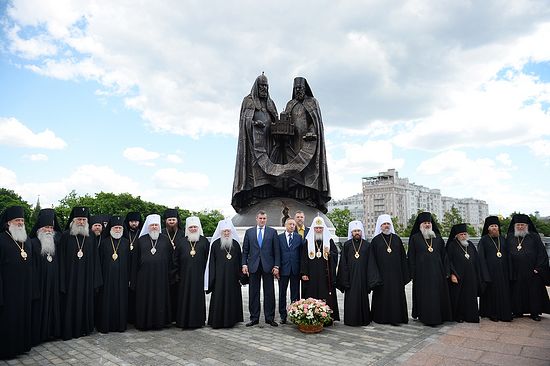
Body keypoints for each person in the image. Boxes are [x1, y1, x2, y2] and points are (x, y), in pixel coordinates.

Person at [280, 77, 331, 212]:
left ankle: (309, 197)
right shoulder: (290, 104)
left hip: (308, 143)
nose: (298, 91)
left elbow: (315, 123)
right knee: (293, 169)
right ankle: (293, 194)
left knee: (308, 169)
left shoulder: (312, 102)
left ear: (305, 89)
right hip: (292, 142)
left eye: (300, 89)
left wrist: (311, 131)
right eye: (296, 89)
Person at [232, 73, 279, 212]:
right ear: (256, 87)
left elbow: (276, 118)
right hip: (253, 142)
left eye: (266, 86)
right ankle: (254, 195)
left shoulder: (270, 103)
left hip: (269, 142)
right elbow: (244, 120)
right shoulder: (249, 101)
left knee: (270, 166)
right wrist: (253, 123)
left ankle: (269, 192)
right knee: (255, 168)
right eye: (261, 86)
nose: (264, 88)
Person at [59, 206, 102, 340]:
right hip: (70, 279)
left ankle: (85, 328)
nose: (81, 222)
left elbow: (96, 260)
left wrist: (96, 280)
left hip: (87, 279)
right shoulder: (66, 236)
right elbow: (61, 259)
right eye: (79, 219)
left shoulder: (90, 237)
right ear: (73, 220)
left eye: (84, 219)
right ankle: (70, 329)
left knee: (85, 303)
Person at [0, 206, 34, 359]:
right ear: (8, 223)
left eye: (22, 220)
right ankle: (7, 350)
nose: (20, 223)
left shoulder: (25, 241)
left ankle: (21, 346)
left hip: (24, 289)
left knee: (22, 317)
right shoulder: (1, 239)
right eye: (17, 220)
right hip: (8, 290)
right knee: (9, 319)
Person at [407, 212, 452, 326]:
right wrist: (412, 273)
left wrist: (447, 271)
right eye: (425, 223)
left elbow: (444, 256)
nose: (427, 225)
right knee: (425, 296)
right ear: (420, 225)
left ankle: (439, 316)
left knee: (437, 295)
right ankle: (425, 316)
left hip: (438, 273)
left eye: (429, 223)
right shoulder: (415, 238)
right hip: (422, 275)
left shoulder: (438, 238)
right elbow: (411, 257)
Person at [131, 214, 173, 330]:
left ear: (159, 227)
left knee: (159, 300)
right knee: (145, 300)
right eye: (152, 225)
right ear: (148, 227)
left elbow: (171, 261)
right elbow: (134, 262)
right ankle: (144, 323)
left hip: (161, 278)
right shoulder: (140, 241)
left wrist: (170, 278)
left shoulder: (165, 240)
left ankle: (159, 323)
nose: (154, 227)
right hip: (144, 278)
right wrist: (133, 281)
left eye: (156, 225)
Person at [506, 214, 550, 321]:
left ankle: (534, 313)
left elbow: (542, 253)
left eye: (522, 225)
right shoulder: (510, 236)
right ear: (515, 226)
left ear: (527, 226)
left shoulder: (534, 236)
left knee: (533, 293)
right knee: (516, 292)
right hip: (516, 271)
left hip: (532, 271)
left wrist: (538, 268)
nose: (520, 227)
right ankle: (517, 311)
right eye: (518, 225)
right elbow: (506, 253)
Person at [29, 208, 62, 345]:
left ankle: (52, 332)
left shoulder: (55, 243)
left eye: (51, 227)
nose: (49, 230)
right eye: (46, 227)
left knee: (53, 306)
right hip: (40, 283)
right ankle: (40, 334)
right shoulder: (32, 243)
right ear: (39, 229)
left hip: (53, 282)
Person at [337, 220, 379, 326]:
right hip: (350, 278)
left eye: (359, 231)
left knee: (363, 298)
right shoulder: (347, 245)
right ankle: (350, 320)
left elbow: (371, 263)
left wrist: (370, 280)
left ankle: (364, 319)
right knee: (351, 299)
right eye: (355, 231)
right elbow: (343, 264)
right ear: (351, 232)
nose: (357, 233)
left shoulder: (367, 245)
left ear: (362, 232)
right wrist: (344, 280)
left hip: (363, 277)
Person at [369, 215, 409, 325]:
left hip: (396, 276)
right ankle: (382, 318)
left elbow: (403, 257)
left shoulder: (397, 239)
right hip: (381, 276)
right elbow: (372, 260)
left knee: (396, 296)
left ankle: (398, 318)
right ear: (380, 226)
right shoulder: (375, 241)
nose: (386, 226)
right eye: (384, 224)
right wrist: (375, 277)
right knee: (382, 296)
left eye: (388, 224)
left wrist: (404, 275)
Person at [242, 210, 280, 326]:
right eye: (260, 218)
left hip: (268, 266)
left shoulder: (272, 232)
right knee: (253, 293)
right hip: (253, 266)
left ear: (266, 219)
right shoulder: (249, 232)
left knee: (269, 293)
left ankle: (269, 318)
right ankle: (254, 318)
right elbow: (245, 251)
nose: (262, 220)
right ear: (256, 219)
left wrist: (276, 266)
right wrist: (244, 264)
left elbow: (276, 251)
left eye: (264, 218)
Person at [173, 216, 210, 329]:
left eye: (195, 227)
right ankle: (182, 321)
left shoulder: (204, 241)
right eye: (191, 227)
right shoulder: (181, 241)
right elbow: (175, 259)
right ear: (187, 229)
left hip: (199, 276)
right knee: (183, 298)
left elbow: (208, 260)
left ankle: (197, 321)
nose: (193, 229)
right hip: (184, 277)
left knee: (197, 298)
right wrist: (176, 275)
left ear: (198, 228)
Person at [206, 219, 244, 329]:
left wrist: (241, 277)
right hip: (219, 279)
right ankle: (217, 321)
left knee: (232, 298)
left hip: (233, 279)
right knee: (219, 298)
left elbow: (240, 262)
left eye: (228, 231)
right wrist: (212, 280)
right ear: (220, 232)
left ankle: (232, 320)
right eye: (224, 232)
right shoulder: (215, 245)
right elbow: (211, 263)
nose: (226, 233)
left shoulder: (236, 244)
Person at [96, 215, 130, 333]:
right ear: (110, 228)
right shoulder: (104, 243)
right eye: (115, 227)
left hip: (122, 278)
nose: (117, 230)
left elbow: (130, 262)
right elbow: (99, 262)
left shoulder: (126, 243)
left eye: (120, 228)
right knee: (106, 302)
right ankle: (106, 325)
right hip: (107, 279)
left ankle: (120, 326)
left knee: (121, 302)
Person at [301, 216, 339, 321]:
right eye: (316, 228)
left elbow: (335, 255)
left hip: (324, 275)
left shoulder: (329, 241)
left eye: (320, 228)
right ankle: (310, 316)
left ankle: (326, 317)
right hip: (311, 275)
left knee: (325, 295)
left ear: (323, 229)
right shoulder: (308, 242)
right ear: (313, 229)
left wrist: (330, 254)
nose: (318, 230)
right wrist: (304, 273)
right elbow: (303, 258)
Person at [477, 216, 512, 322]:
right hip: (490, 273)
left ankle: (504, 313)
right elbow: (481, 259)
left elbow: (509, 256)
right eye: (492, 226)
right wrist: (485, 274)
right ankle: (493, 314)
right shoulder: (483, 240)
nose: (494, 228)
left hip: (503, 273)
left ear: (498, 227)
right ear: (488, 228)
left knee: (504, 294)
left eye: (496, 226)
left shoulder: (503, 239)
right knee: (492, 295)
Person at [446, 223, 483, 323]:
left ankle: (471, 316)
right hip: (458, 276)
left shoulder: (470, 244)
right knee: (459, 297)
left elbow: (476, 260)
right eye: (461, 234)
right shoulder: (452, 245)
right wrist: (452, 274)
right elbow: (448, 261)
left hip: (471, 276)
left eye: (464, 234)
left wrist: (477, 274)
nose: (463, 236)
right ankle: (459, 316)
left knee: (471, 297)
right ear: (456, 235)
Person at [277, 217, 302, 324]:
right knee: (282, 293)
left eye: (293, 224)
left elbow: (301, 254)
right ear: (285, 225)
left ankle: (294, 314)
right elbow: (277, 254)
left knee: (295, 293)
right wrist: (276, 267)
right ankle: (283, 315)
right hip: (283, 269)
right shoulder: (279, 238)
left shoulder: (299, 237)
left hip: (295, 270)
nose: (292, 226)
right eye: (290, 224)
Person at [163, 208, 184, 323]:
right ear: (165, 221)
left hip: (178, 269)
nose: (171, 222)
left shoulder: (182, 233)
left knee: (177, 293)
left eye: (173, 219)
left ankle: (176, 317)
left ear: (177, 220)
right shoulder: (161, 232)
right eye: (169, 220)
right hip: (165, 268)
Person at [123, 211, 142, 325]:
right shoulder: (124, 233)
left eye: (136, 221)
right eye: (131, 221)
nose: (134, 224)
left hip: (137, 267)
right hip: (125, 266)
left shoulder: (142, 234)